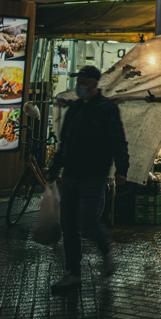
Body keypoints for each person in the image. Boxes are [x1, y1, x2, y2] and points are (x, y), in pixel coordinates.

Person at [49, 66, 129, 295]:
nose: (79, 85)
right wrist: (55, 167)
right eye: (78, 81)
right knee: (68, 222)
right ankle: (73, 272)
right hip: (71, 173)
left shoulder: (106, 109)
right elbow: (65, 141)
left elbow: (118, 139)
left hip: (95, 174)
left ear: (94, 84)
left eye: (83, 81)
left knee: (87, 220)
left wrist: (122, 168)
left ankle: (106, 249)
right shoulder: (74, 108)